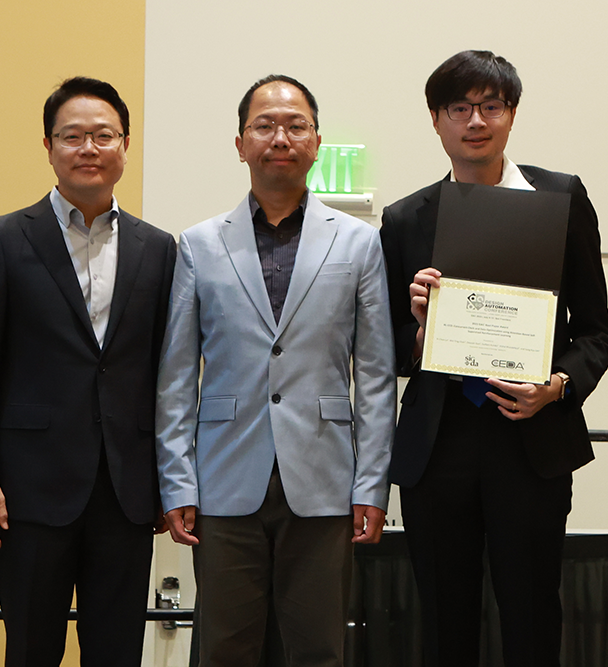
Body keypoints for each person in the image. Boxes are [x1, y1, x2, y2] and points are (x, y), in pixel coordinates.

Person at [380, 50, 608, 666]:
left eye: (490, 106)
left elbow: (596, 331)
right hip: (439, 443)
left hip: (531, 436)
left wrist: (557, 385)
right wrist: (421, 328)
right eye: (459, 108)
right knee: (443, 619)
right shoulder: (406, 217)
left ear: (511, 115)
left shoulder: (560, 197)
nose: (475, 121)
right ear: (437, 120)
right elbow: (388, 346)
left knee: (533, 613)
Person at [155, 74, 396, 667]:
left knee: (317, 647)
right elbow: (177, 378)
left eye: (295, 125)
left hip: (325, 480)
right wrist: (179, 482)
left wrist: (371, 483)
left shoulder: (360, 244)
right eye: (264, 125)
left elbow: (375, 375)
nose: (279, 137)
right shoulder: (198, 244)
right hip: (222, 479)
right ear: (240, 144)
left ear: (317, 142)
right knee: (223, 648)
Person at [0, 76, 177, 666]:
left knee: (117, 650)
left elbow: (164, 372)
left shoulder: (159, 249)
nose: (88, 148)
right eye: (72, 135)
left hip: (126, 491)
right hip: (27, 491)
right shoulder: (2, 239)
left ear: (125, 145)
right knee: (30, 649)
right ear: (49, 147)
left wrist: (168, 481)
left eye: (103, 135)